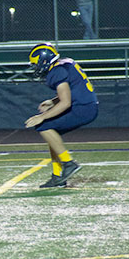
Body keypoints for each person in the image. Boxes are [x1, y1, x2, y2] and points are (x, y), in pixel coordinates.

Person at [25, 43, 99, 188]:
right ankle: (58, 176)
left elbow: (65, 102)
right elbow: (73, 88)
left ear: (43, 60)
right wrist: (52, 102)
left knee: (43, 125)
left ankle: (68, 163)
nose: (35, 67)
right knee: (51, 132)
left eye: (36, 63)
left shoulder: (56, 72)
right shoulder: (65, 63)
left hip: (83, 108)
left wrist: (42, 116)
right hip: (88, 104)